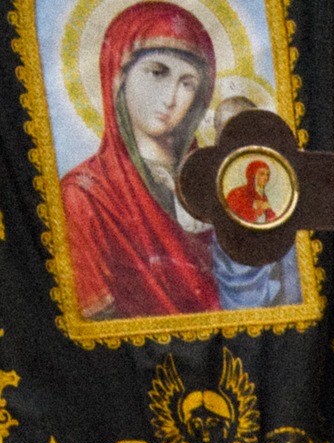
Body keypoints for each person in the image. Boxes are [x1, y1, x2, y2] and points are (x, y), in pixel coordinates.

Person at [60, 2, 220, 320]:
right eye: (157, 72)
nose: (171, 97)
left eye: (187, 82)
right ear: (118, 76)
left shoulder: (212, 181)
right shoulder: (86, 196)